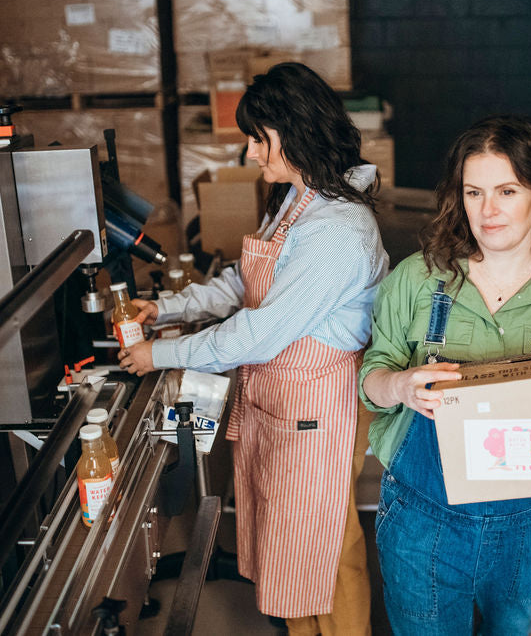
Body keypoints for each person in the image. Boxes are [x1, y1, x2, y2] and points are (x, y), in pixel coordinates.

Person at [118, 62, 388, 635]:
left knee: (329, 551)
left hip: (320, 408)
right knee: (292, 546)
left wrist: (160, 355)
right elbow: (246, 280)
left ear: (298, 131)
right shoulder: (297, 199)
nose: (250, 153)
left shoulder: (339, 230)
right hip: (285, 401)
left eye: (259, 138)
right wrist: (168, 309)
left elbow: (256, 333)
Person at [359, 115, 531, 635]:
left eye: (506, 190)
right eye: (474, 192)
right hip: (423, 521)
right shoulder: (415, 279)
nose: (488, 210)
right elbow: (372, 378)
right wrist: (401, 386)